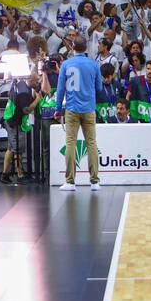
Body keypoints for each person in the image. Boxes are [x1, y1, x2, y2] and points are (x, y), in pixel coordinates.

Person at [54, 35, 107, 191]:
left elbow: (61, 89)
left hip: (72, 108)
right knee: (92, 143)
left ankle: (70, 182)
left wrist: (58, 109)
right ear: (86, 48)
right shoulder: (93, 64)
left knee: (71, 143)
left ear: (73, 47)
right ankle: (95, 181)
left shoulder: (66, 64)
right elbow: (99, 88)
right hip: (89, 108)